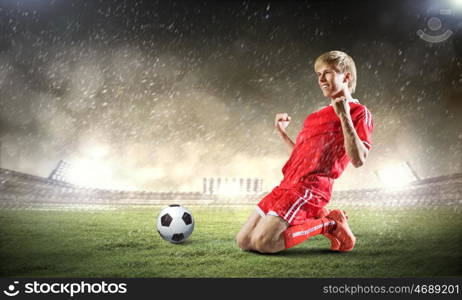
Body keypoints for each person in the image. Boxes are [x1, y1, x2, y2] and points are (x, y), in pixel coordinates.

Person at [236, 50, 374, 254]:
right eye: (318, 74)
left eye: (327, 72)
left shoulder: (359, 112)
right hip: (286, 185)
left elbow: (359, 159)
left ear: (346, 77)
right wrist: (282, 134)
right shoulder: (314, 117)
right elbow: (303, 156)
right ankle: (323, 218)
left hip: (310, 188)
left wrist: (344, 115)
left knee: (265, 243)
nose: (321, 79)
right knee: (244, 241)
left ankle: (331, 224)